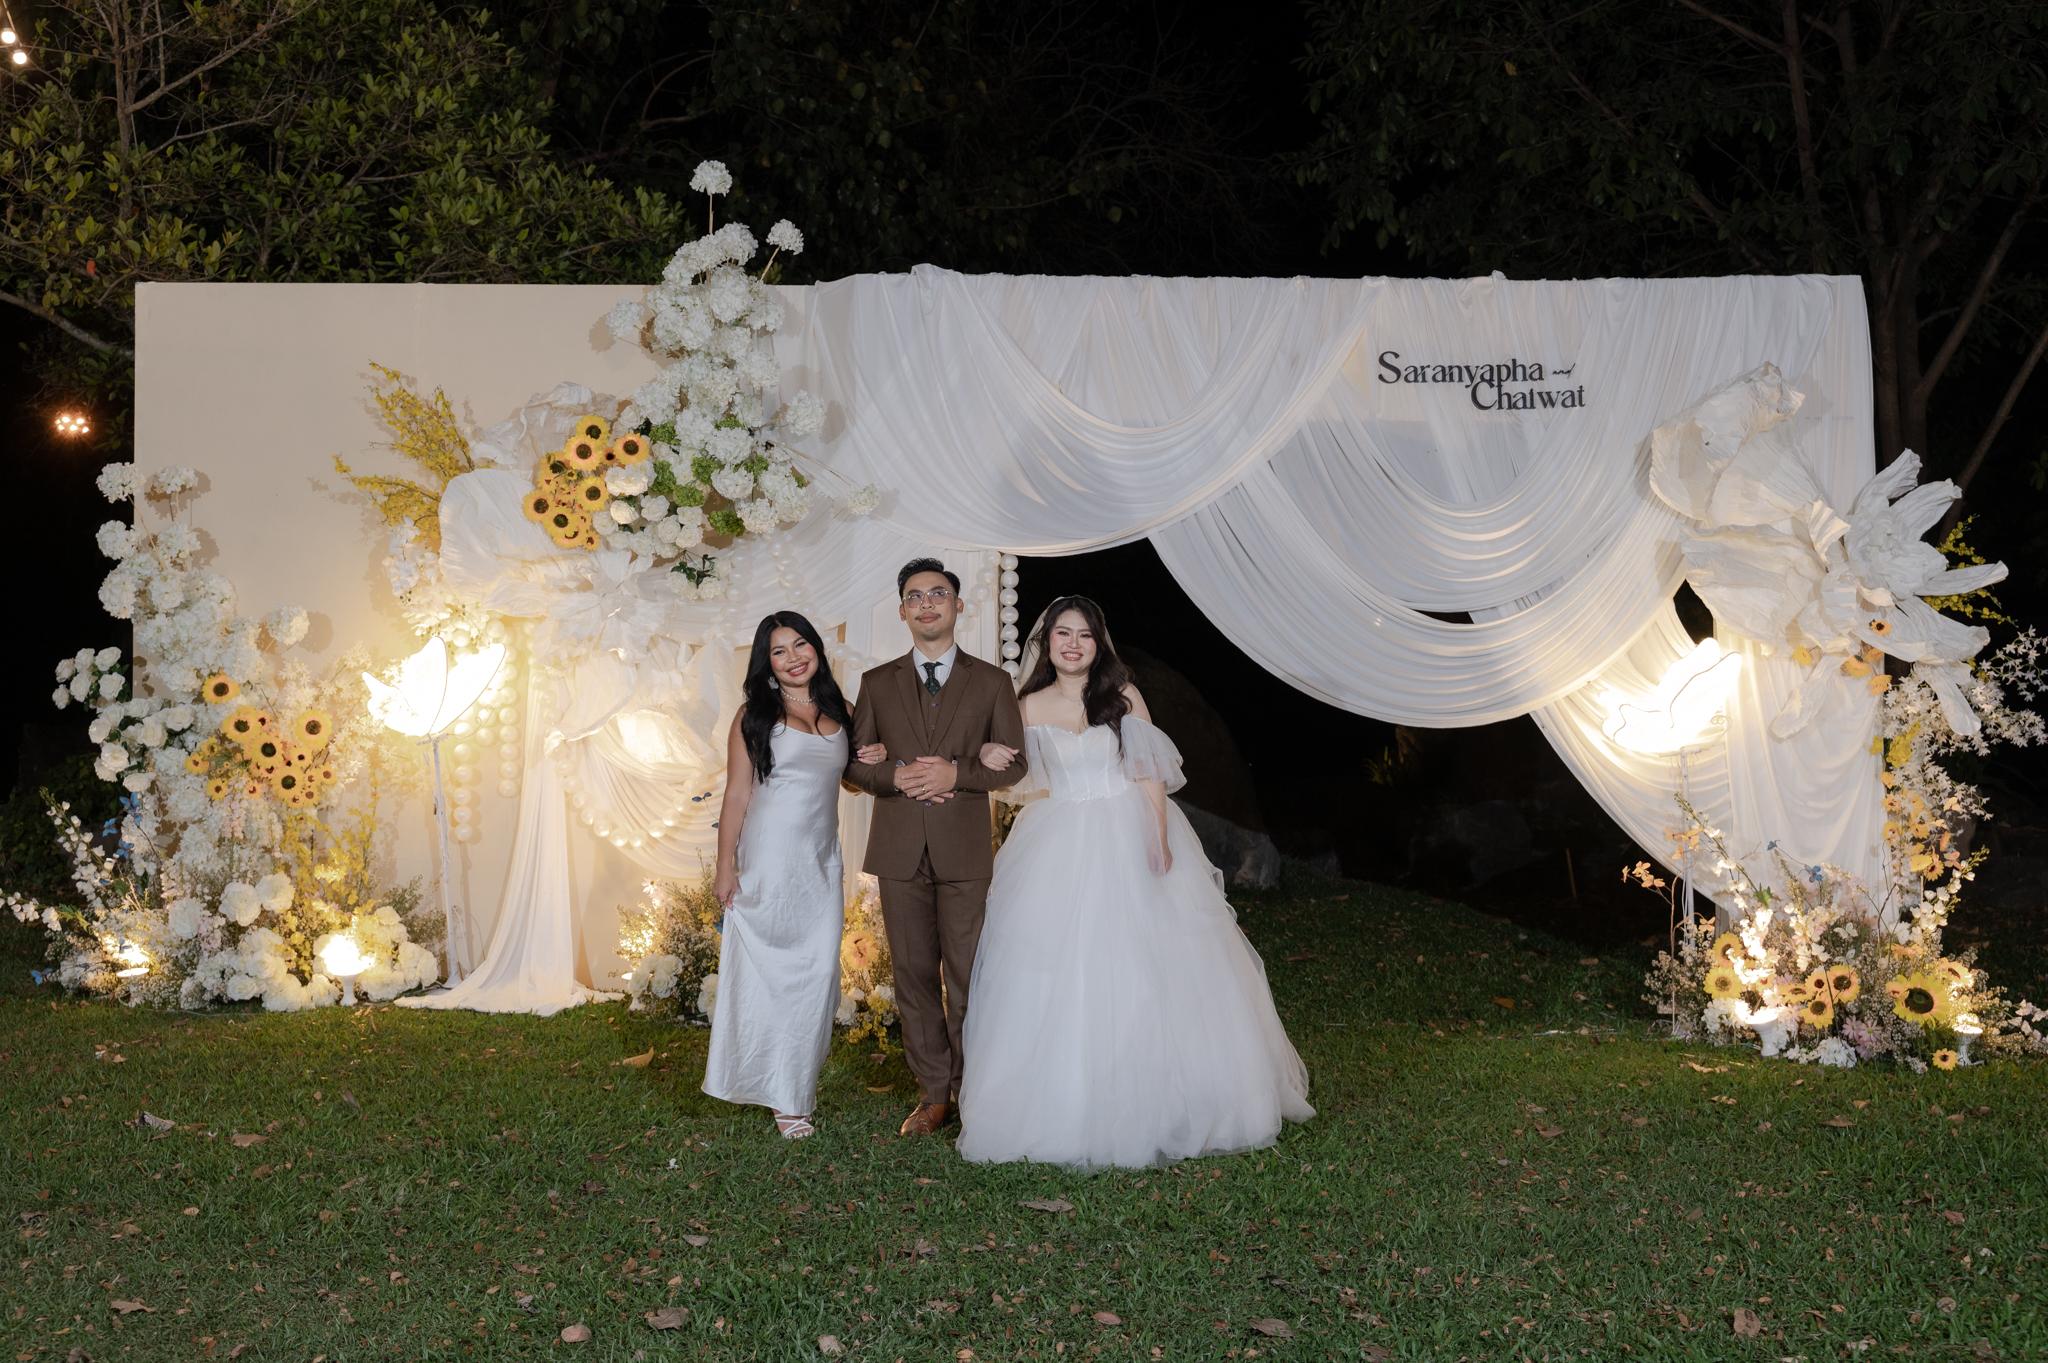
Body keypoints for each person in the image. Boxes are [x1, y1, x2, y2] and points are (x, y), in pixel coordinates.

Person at [953, 595, 1313, 1168]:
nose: (1073, 645)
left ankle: (1171, 1095)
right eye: (1063, 634)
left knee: (1150, 957)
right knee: (1058, 963)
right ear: (1047, 643)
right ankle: (1064, 1100)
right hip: (1059, 836)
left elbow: (1148, 770)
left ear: (1099, 644)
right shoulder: (1026, 705)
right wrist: (993, 749)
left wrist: (1158, 836)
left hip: (1127, 826)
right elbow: (1011, 775)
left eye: (1084, 635)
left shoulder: (1122, 697)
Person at [842, 558, 1029, 1136]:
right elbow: (853, 767)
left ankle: (974, 1087)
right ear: (902, 611)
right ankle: (933, 1093)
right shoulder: (877, 683)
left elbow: (1015, 764)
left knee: (969, 973)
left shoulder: (992, 682)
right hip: (898, 850)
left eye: (938, 594)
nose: (927, 604)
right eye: (915, 597)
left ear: (957, 606)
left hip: (964, 851)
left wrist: (959, 772)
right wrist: (894, 776)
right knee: (914, 974)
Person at [703, 612, 852, 1140]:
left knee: (817, 974)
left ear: (816, 649)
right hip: (768, 860)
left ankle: (793, 1083)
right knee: (766, 975)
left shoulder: (841, 710)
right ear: (766, 663)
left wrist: (878, 756)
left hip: (820, 861)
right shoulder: (754, 716)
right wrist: (726, 865)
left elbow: (854, 778)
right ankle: (786, 1100)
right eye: (779, 650)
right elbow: (737, 794)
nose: (793, 658)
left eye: (801, 644)